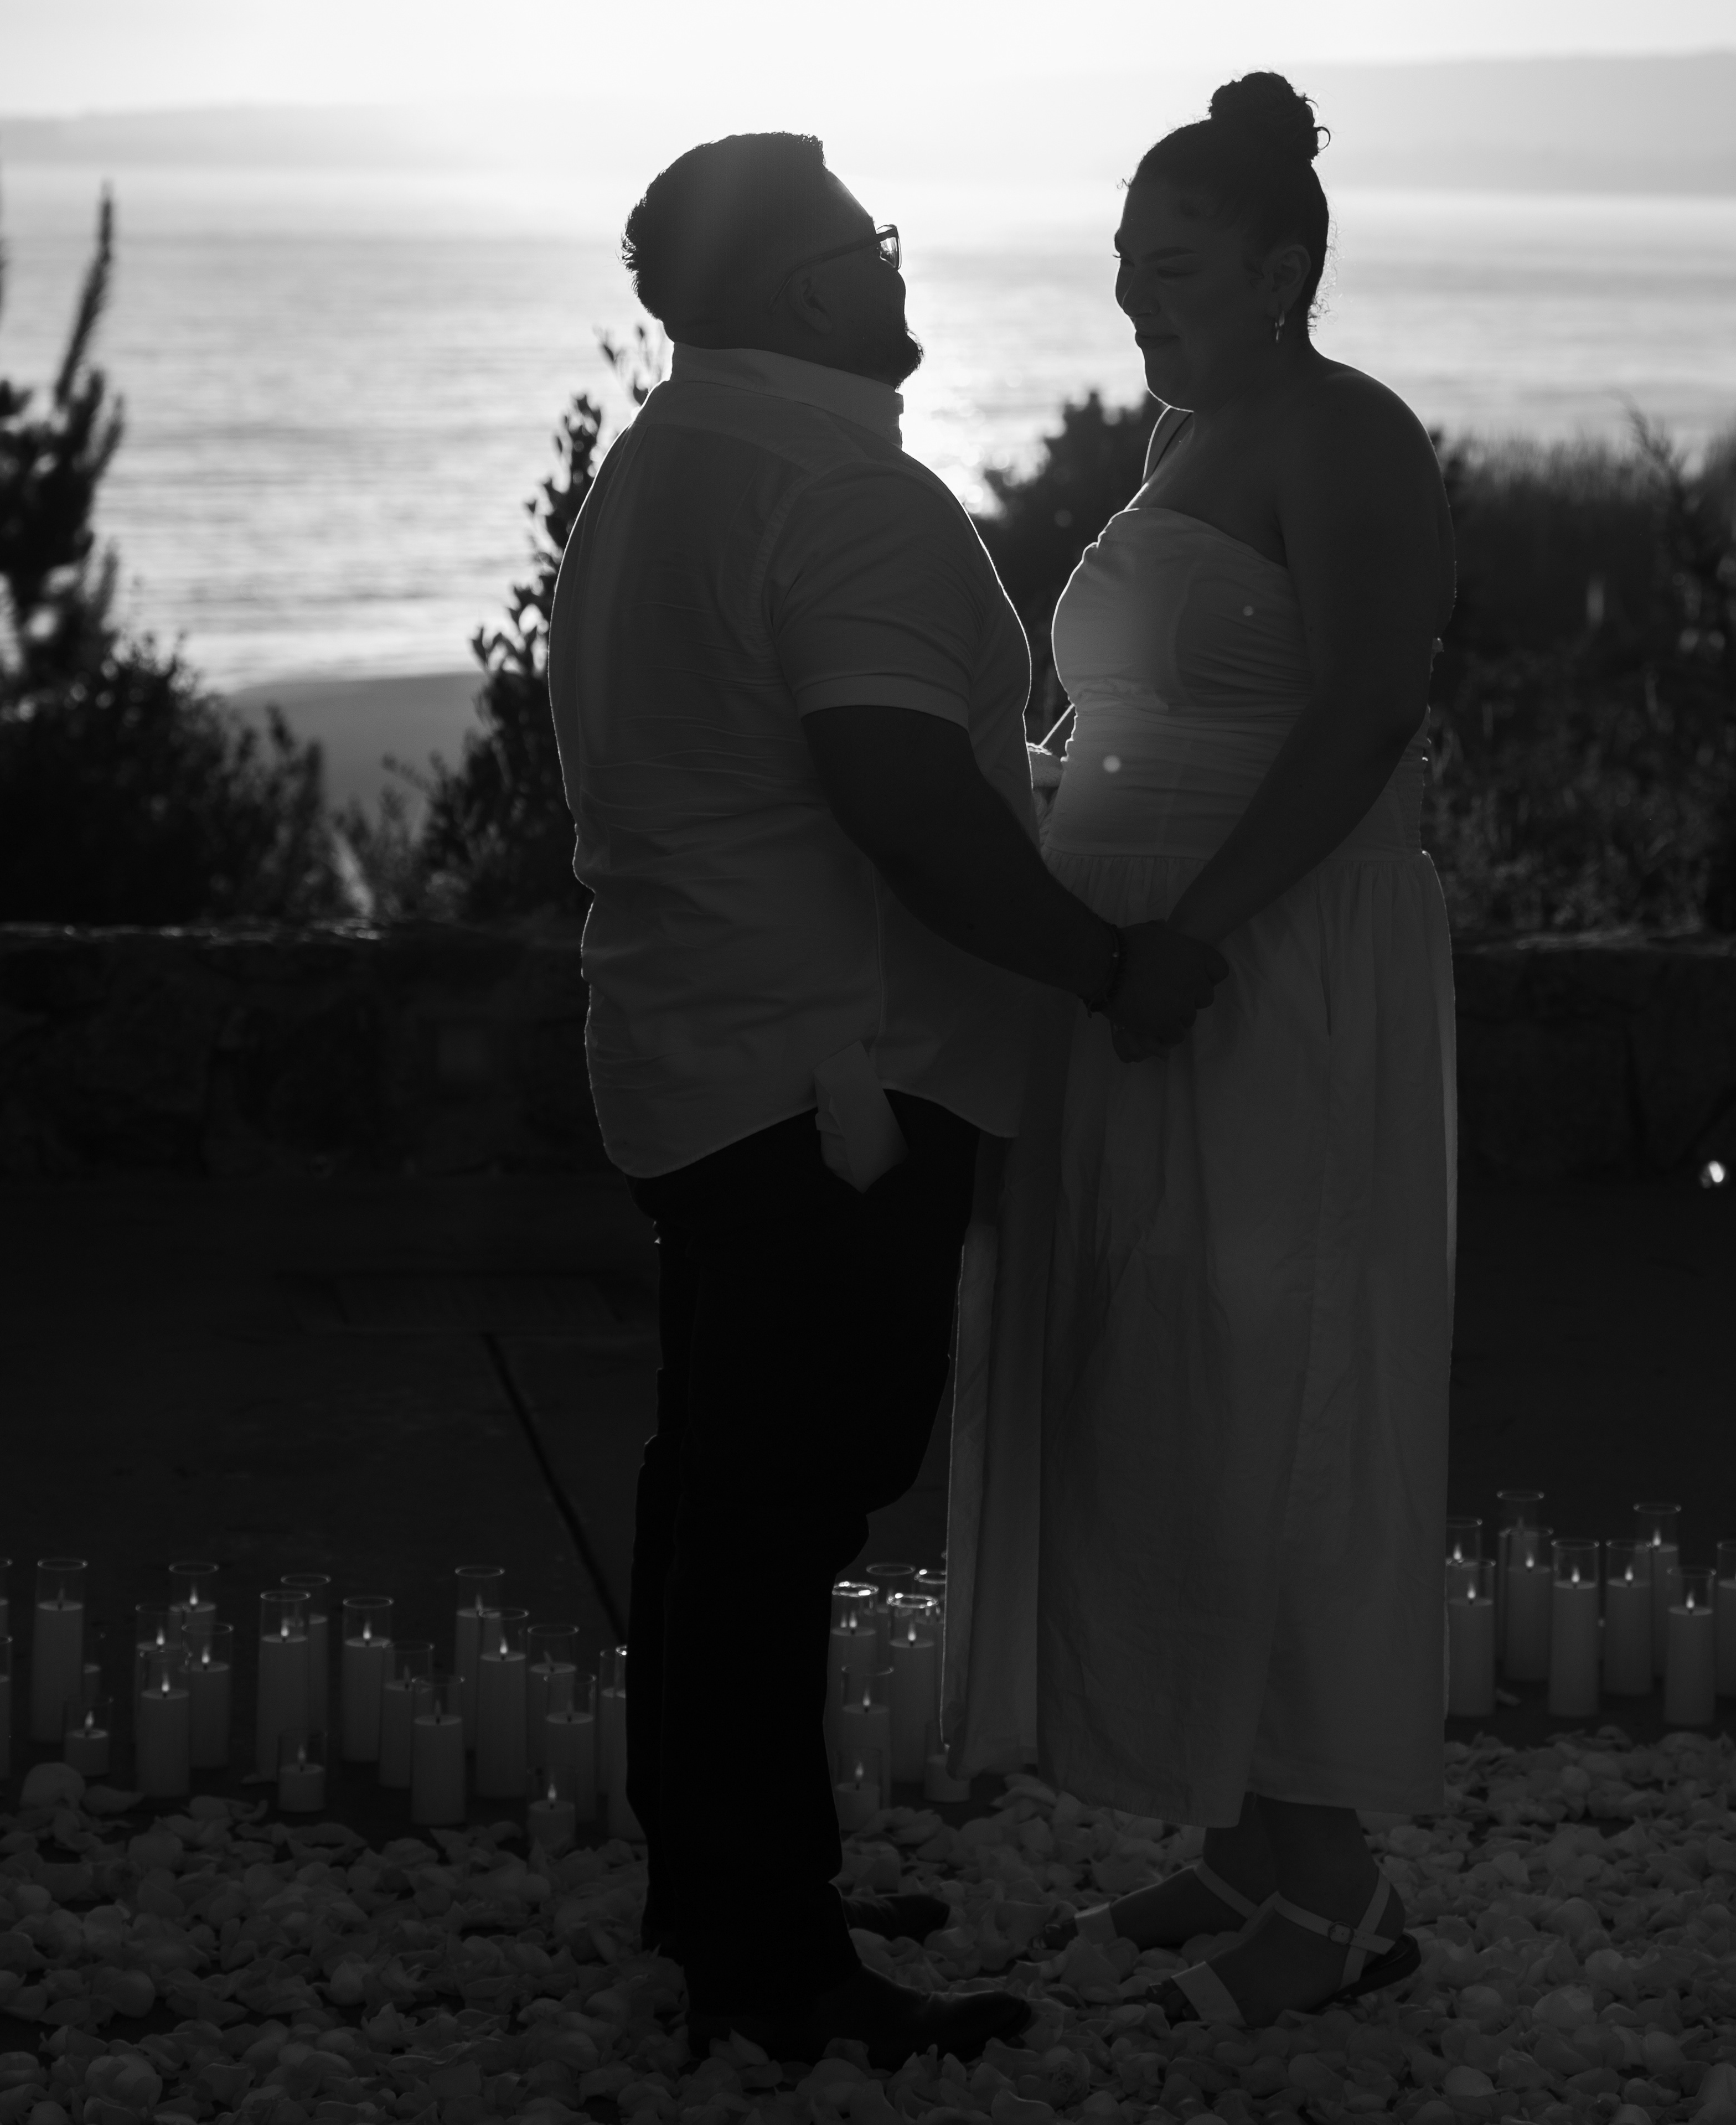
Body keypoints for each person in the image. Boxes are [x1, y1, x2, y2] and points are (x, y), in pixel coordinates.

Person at [545, 130, 1226, 2069]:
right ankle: (775, 1966)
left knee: (716, 1489)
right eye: (874, 239)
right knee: (780, 1509)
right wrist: (1099, 963)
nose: (897, 265)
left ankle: (724, 1889)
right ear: (810, 285)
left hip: (696, 1052)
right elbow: (904, 797)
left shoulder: (657, 468)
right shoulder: (838, 490)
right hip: (835, 1076)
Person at [950, 73, 1457, 2029]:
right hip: (1144, 973)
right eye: (1122, 262)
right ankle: (1245, 1834)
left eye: (1170, 264)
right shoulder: (1187, 437)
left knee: (1276, 1380)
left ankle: (1335, 1887)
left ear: (1282, 267)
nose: (1131, 297)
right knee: (1165, 1381)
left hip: (1266, 969)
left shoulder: (1349, 434)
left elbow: (1366, 717)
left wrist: (1198, 932)